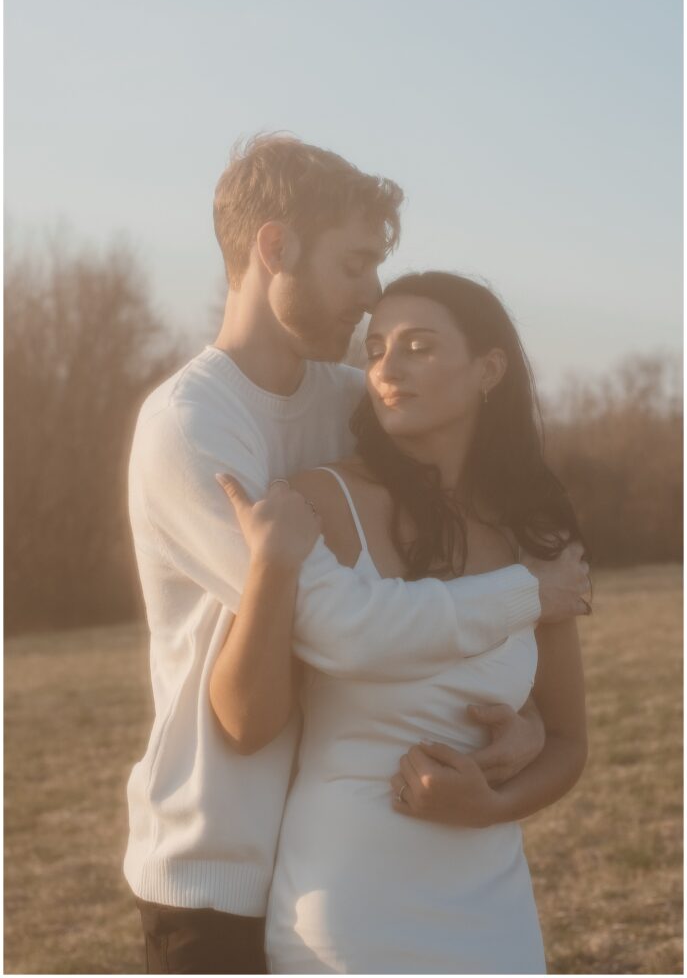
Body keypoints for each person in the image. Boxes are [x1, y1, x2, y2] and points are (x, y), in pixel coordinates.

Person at [124, 135, 591, 974]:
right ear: (275, 247)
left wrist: (518, 722)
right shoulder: (190, 426)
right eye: (355, 264)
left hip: (344, 838)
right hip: (220, 863)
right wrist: (529, 596)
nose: (371, 298)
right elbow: (341, 629)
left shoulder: (351, 401)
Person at [214, 271, 588, 974]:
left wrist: (487, 805)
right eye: (376, 348)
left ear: (488, 369)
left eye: (417, 346)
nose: (386, 368)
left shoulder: (533, 535)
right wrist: (269, 566)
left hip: (493, 913)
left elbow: (568, 743)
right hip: (349, 914)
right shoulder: (318, 500)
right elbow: (242, 721)